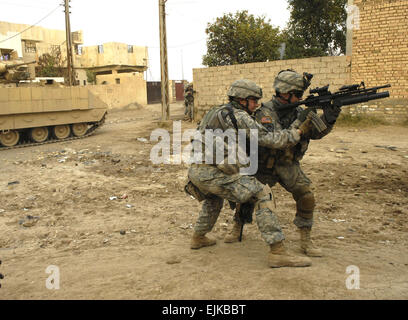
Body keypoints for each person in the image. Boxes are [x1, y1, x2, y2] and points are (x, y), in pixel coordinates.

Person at [186, 79, 314, 268]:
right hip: (214, 172)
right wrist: (297, 133)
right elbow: (269, 139)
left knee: (214, 198)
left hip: (197, 171)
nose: (256, 105)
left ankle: (198, 237)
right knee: (262, 193)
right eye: (253, 100)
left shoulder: (216, 110)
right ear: (242, 99)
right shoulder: (239, 116)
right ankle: (277, 252)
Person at [224, 70, 341, 257]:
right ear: (286, 93)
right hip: (263, 164)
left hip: (287, 164)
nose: (301, 98)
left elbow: (316, 133)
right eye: (298, 95)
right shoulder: (263, 112)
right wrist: (300, 123)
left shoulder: (301, 111)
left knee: (306, 195)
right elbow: (277, 138)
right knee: (247, 197)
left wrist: (329, 118)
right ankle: (237, 226)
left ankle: (305, 240)